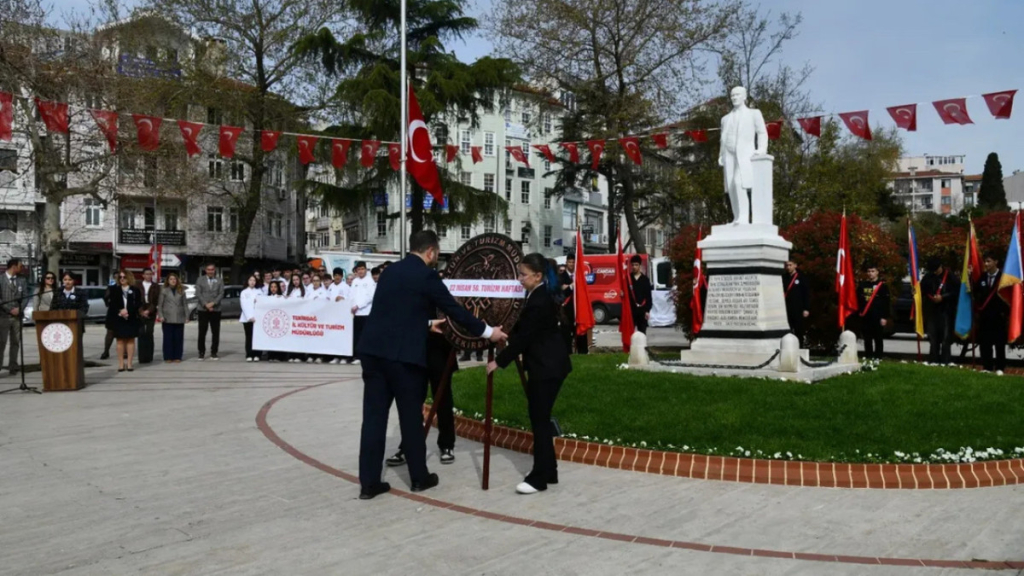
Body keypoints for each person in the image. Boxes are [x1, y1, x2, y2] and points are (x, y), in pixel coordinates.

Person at [357, 230, 507, 500]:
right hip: (403, 359)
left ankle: (368, 484)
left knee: (373, 419)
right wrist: (488, 333)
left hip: (373, 354)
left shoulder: (389, 272)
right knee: (411, 418)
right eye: (436, 254)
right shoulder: (426, 275)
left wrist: (426, 324)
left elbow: (392, 313)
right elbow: (455, 310)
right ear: (431, 252)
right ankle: (419, 478)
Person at [487, 253, 572, 494]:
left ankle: (538, 478)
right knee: (541, 418)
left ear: (537, 275)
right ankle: (549, 470)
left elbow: (526, 337)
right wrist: (505, 334)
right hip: (550, 365)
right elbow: (524, 330)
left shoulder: (539, 300)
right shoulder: (538, 295)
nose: (520, 279)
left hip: (546, 367)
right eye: (519, 274)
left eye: (523, 275)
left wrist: (499, 362)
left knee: (539, 420)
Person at [718, 85, 769, 225]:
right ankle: (737, 217)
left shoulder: (754, 113)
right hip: (729, 155)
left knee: (739, 182)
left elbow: (762, 132)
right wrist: (721, 154)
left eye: (737, 95)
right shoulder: (725, 119)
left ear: (744, 97)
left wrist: (762, 149)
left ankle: (744, 217)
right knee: (731, 186)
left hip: (745, 154)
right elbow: (722, 137)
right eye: (732, 95)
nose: (734, 97)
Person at [921, 257, 959, 364]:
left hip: (946, 311)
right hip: (932, 309)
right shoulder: (928, 276)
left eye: (936, 269)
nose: (935, 272)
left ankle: (945, 360)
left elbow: (956, 292)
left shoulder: (951, 277)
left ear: (941, 266)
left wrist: (944, 297)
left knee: (945, 338)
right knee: (933, 337)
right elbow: (922, 289)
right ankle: (933, 359)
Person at [974, 253, 1008, 373]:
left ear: (996, 261)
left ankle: (1000, 367)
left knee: (999, 343)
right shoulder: (983, 277)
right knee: (985, 343)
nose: (986, 264)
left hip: (998, 316)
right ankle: (987, 367)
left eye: (989, 261)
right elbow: (975, 292)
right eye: (985, 262)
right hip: (985, 316)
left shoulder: (1003, 278)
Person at [106, 270, 141, 372]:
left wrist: (128, 311)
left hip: (131, 317)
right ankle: (121, 364)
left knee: (130, 340)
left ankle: (129, 363)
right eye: (120, 277)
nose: (122, 279)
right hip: (118, 318)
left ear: (129, 278)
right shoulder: (114, 290)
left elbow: (138, 303)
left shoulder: (135, 290)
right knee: (120, 340)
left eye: (124, 277)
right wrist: (120, 311)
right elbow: (111, 304)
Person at [856, 263, 890, 359]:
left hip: (878, 316)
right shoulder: (862, 285)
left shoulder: (882, 286)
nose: (870, 273)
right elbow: (858, 300)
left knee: (878, 338)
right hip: (865, 315)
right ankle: (868, 356)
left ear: (877, 273)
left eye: (873, 271)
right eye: (869, 271)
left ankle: (878, 357)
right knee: (867, 338)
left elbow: (886, 302)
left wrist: (884, 317)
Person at [0, 259, 25, 375]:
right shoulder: (1, 279)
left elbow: (25, 296)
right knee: (1, 342)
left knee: (15, 342)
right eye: (20, 266)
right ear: (14, 267)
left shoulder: (22, 280)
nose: (22, 268)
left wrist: (20, 309)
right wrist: (10, 309)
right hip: (3, 316)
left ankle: (13, 365)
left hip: (17, 317)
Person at [195, 263, 224, 361]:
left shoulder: (219, 280)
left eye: (212, 269)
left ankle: (214, 352)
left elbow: (221, 294)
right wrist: (206, 304)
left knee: (215, 332)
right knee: (202, 332)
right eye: (208, 269)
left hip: (216, 309)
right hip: (203, 309)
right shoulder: (200, 280)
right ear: (205, 270)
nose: (210, 271)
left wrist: (213, 303)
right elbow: (198, 293)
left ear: (214, 270)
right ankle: (201, 352)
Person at [156, 272, 188, 362]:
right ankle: (168, 356)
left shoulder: (181, 290)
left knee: (178, 338)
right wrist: (161, 316)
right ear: (168, 281)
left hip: (179, 316)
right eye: (171, 279)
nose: (173, 281)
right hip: (167, 317)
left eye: (174, 279)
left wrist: (187, 316)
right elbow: (160, 304)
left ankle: (177, 356)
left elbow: (185, 304)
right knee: (168, 338)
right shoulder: (164, 290)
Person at [559, 254, 588, 354]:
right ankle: (567, 353)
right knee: (566, 333)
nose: (571, 264)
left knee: (580, 332)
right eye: (569, 262)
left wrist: (568, 287)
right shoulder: (562, 276)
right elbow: (562, 290)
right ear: (566, 263)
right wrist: (571, 286)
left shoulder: (579, 275)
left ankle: (583, 353)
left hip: (579, 309)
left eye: (573, 262)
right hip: (566, 310)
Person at [350, 261, 374, 365]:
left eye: (362, 269)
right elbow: (352, 295)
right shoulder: (355, 281)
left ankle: (364, 356)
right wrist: (352, 307)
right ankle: (357, 355)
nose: (360, 271)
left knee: (364, 336)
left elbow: (370, 297)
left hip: (366, 312)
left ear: (365, 269)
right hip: (356, 313)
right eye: (358, 269)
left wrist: (358, 306)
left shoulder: (370, 281)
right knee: (356, 335)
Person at [136, 268, 160, 364]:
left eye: (150, 274)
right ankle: (142, 357)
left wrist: (149, 310)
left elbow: (156, 300)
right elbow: (135, 299)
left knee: (149, 333)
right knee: (141, 333)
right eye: (147, 274)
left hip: (151, 310)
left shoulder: (155, 286)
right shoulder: (137, 285)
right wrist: (141, 311)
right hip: (140, 310)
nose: (148, 276)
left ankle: (149, 356)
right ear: (143, 275)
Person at [782, 260, 810, 343]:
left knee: (798, 329)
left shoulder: (801, 277)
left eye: (790, 265)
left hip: (798, 307)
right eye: (786, 265)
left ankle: (800, 347)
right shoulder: (784, 277)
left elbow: (806, 293)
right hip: (786, 307)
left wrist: (806, 308)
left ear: (795, 265)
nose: (788, 267)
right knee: (787, 329)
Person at [628, 255, 653, 334]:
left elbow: (648, 297)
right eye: (633, 265)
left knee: (642, 333)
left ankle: (641, 346)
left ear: (640, 265)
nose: (634, 267)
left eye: (636, 265)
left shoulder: (645, 280)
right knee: (630, 333)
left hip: (642, 310)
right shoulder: (628, 279)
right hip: (631, 311)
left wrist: (647, 310)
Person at [265, 281, 288, 362]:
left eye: (275, 287)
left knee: (279, 339)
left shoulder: (282, 297)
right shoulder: (266, 298)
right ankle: (271, 355)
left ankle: (279, 356)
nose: (273, 289)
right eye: (271, 287)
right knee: (270, 339)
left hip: (280, 321)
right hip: (270, 322)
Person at [240, 274, 261, 362]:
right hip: (247, 318)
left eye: (254, 280)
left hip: (257, 318)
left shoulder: (259, 291)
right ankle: (249, 354)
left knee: (257, 337)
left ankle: (257, 354)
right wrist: (249, 317)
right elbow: (244, 305)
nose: (252, 282)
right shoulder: (244, 292)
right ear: (247, 281)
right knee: (249, 337)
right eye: (250, 280)